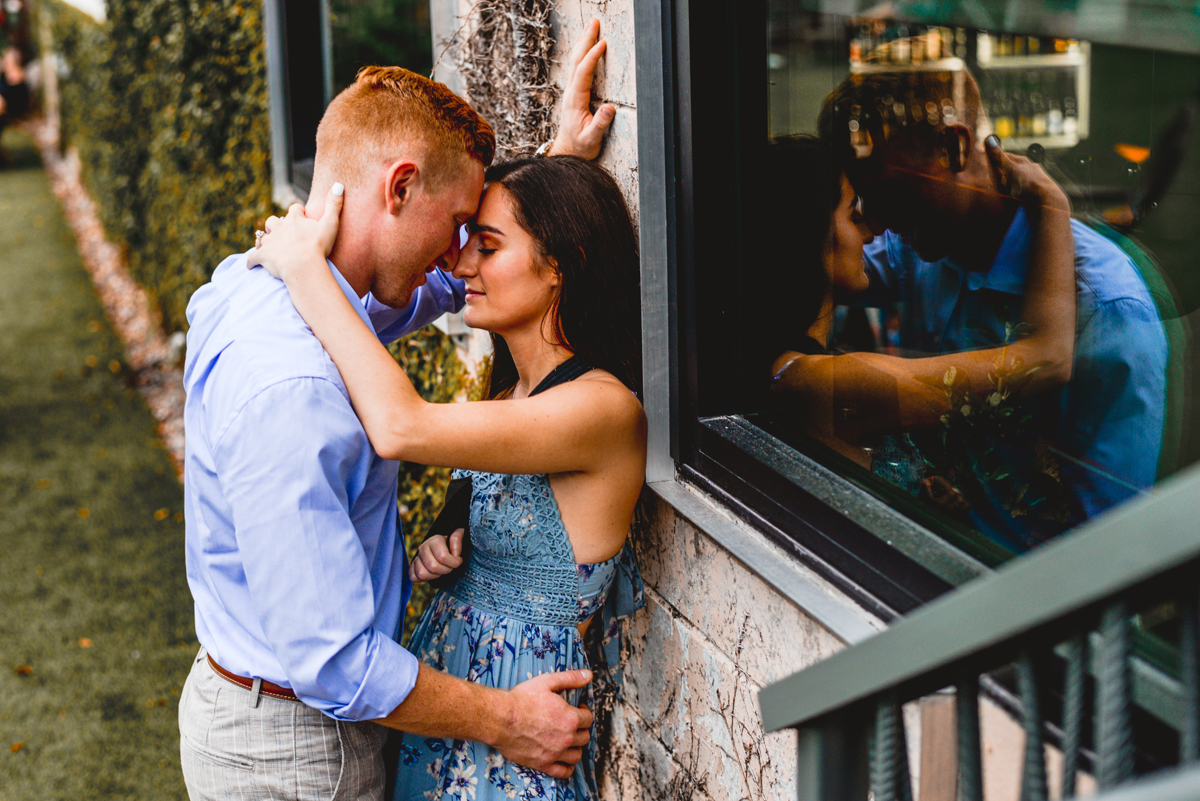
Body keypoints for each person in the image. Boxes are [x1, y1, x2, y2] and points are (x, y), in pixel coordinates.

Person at [179, 22, 618, 800]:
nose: (457, 257)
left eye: (476, 240)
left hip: (282, 714)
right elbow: (336, 661)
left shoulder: (263, 291)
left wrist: (553, 190)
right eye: (457, 227)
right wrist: (507, 719)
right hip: (297, 748)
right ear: (399, 186)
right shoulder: (296, 385)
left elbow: (456, 287)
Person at [250, 154, 645, 800]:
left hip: (517, 737)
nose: (461, 267)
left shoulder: (599, 408)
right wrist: (450, 532)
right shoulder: (511, 392)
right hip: (457, 709)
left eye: (486, 248)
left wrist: (305, 273)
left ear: (561, 267)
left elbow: (400, 426)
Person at [816, 66, 1169, 550]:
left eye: (889, 193)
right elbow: (826, 268)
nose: (877, 222)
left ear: (955, 147)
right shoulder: (915, 240)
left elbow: (1108, 542)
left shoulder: (1105, 308)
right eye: (860, 203)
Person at [766, 134, 1075, 511]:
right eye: (853, 213)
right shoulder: (815, 384)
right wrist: (1054, 206)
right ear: (809, 236)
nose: (872, 230)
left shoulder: (798, 370)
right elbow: (1048, 357)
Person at [0, 45, 29, 166]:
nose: (3, 59)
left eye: (6, 58)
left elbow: (3, 104)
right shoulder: (8, 75)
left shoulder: (16, 78)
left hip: (8, 110)